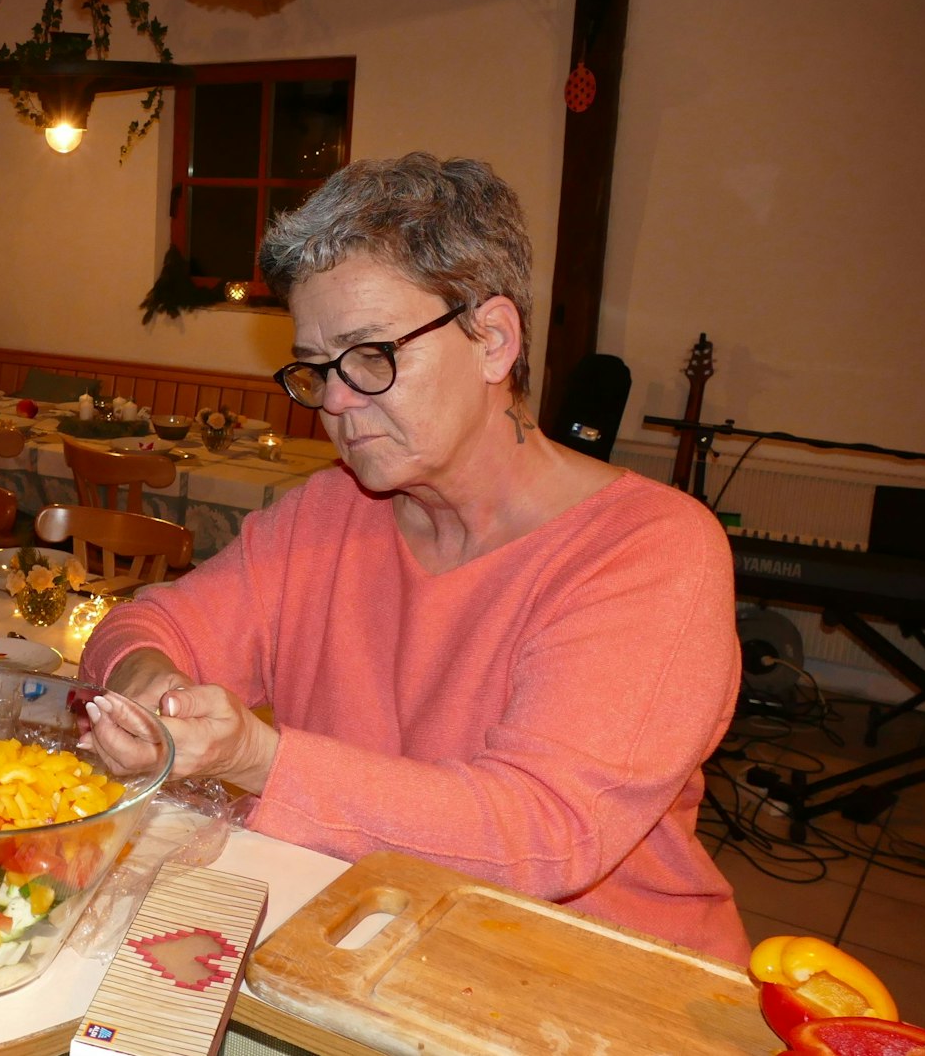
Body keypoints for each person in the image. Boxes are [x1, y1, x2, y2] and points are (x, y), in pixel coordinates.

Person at [79, 153, 747, 963]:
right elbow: (144, 625)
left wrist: (259, 758)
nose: (333, 402)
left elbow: (540, 834)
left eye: (370, 356)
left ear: (494, 339)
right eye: (317, 369)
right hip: (362, 948)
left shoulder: (649, 549)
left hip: (597, 982)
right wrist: (150, 689)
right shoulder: (327, 512)